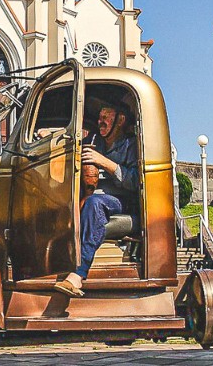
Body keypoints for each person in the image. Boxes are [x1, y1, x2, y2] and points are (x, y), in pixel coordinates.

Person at [54, 101, 139, 298]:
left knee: (94, 204)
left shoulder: (131, 145)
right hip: (92, 198)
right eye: (99, 117)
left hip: (120, 202)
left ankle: (77, 274)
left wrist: (104, 162)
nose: (100, 121)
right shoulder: (94, 140)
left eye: (106, 116)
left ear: (120, 120)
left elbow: (135, 182)